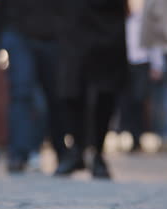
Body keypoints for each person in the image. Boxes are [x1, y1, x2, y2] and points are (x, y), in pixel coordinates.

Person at [54, 0, 128, 179]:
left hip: (108, 21)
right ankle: (77, 149)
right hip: (74, 19)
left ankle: (98, 152)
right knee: (72, 88)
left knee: (105, 90)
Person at [0, 0, 67, 172]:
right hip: (18, 32)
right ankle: (19, 153)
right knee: (21, 93)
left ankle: (62, 151)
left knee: (55, 94)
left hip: (51, 34)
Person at [116, 0, 164, 152]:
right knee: (126, 101)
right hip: (125, 63)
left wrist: (157, 65)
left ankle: (137, 135)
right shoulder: (122, 19)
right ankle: (128, 132)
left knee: (139, 100)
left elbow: (154, 44)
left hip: (142, 63)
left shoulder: (145, 19)